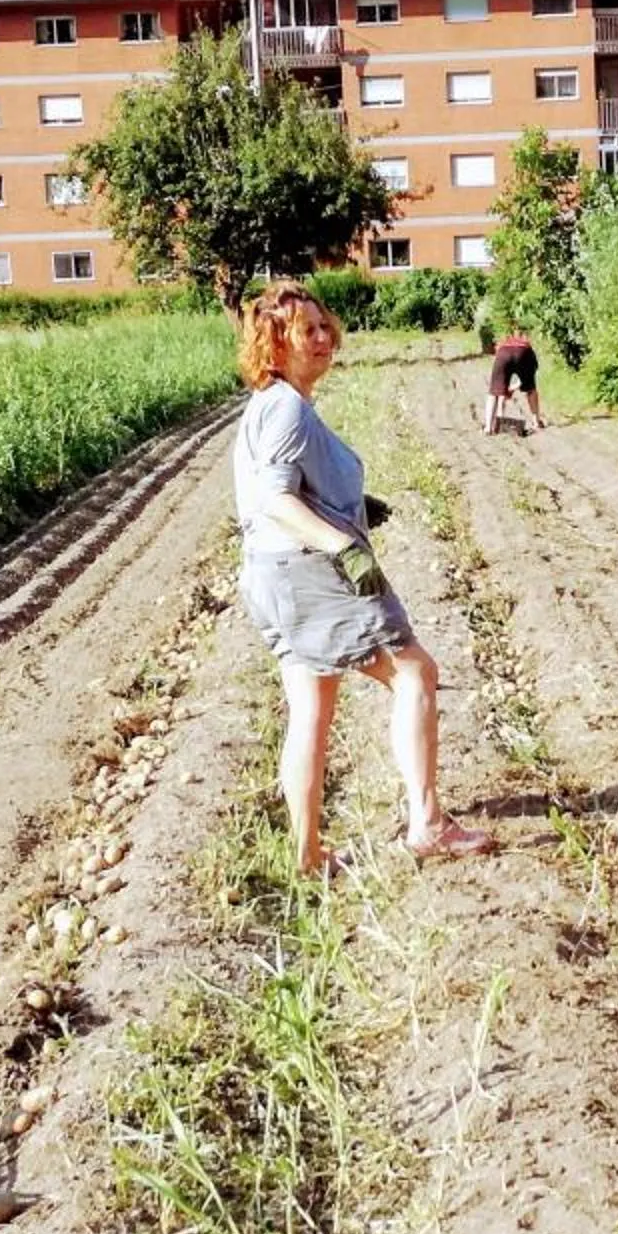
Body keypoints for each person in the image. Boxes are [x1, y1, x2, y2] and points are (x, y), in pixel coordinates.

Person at [233, 281, 492, 877]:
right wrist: (341, 542)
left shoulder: (272, 403)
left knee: (311, 708)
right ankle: (427, 823)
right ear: (276, 342)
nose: (323, 339)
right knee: (415, 671)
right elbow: (273, 498)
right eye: (307, 331)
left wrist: (349, 502)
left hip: (272, 575)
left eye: (326, 327)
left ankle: (307, 856)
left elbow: (283, 488)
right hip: (310, 574)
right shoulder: (287, 408)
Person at [482, 328, 545, 434]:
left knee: (493, 393)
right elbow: (528, 378)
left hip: (503, 354)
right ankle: (536, 422)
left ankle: (488, 427)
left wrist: (508, 389)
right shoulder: (528, 347)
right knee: (531, 389)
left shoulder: (502, 344)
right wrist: (513, 388)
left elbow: (501, 388)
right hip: (523, 352)